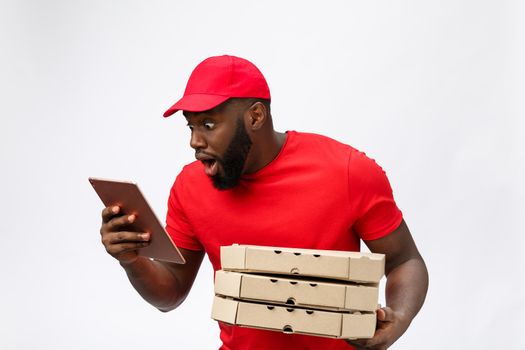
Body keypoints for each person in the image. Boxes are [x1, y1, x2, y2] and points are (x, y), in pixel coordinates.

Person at [99, 55, 428, 350]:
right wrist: (132, 260)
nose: (194, 141)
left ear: (255, 116)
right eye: (192, 125)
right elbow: (170, 294)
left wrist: (398, 318)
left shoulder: (347, 171)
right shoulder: (189, 186)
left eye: (209, 124)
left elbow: (404, 260)